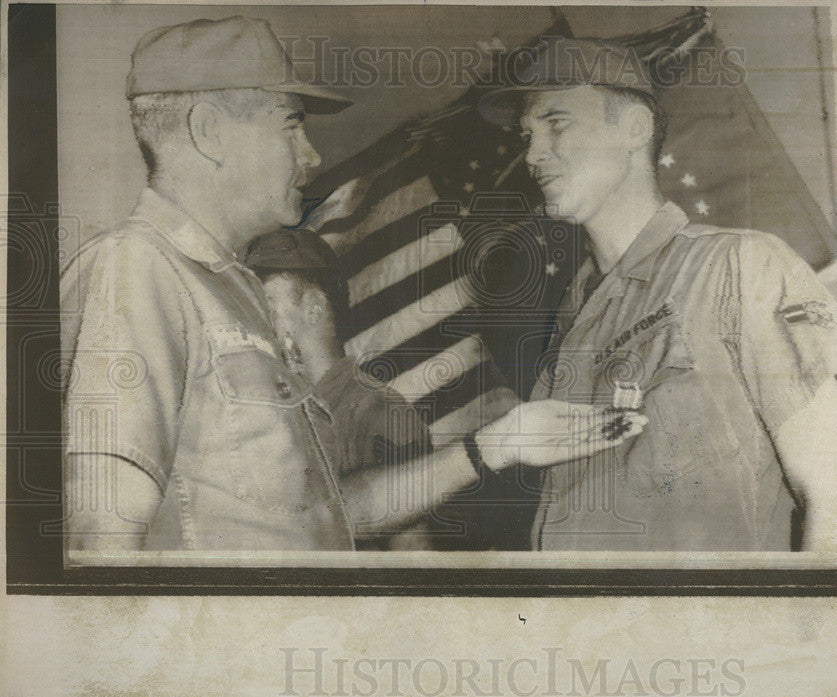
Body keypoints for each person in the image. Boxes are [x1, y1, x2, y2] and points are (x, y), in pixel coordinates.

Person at [61, 17, 647, 552]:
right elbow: (101, 535)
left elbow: (328, 518)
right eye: (290, 124)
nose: (311, 155)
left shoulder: (233, 295)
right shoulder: (135, 269)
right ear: (209, 131)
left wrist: (495, 445)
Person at [478, 37, 837, 552]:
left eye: (556, 124)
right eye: (527, 135)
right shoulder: (572, 319)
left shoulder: (738, 266)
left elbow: (831, 503)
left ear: (634, 129)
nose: (533, 154)